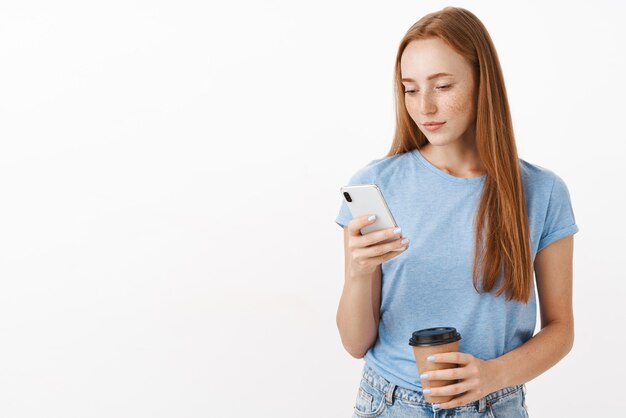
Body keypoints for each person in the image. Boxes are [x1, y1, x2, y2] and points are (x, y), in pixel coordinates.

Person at [335, 6, 579, 418]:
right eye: (410, 89)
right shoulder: (377, 185)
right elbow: (355, 343)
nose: (425, 106)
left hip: (495, 406)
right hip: (391, 405)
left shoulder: (542, 191)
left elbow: (561, 330)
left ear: (483, 83)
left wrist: (493, 375)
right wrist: (359, 274)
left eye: (442, 85)